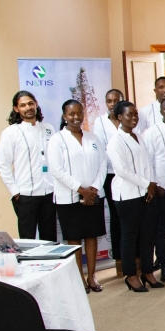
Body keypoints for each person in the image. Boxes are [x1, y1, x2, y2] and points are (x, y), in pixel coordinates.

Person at [48, 100, 106, 293]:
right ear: (64, 116)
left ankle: (92, 276)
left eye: (79, 113)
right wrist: (81, 190)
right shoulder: (57, 140)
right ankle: (79, 278)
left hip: (93, 196)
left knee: (91, 236)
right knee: (74, 239)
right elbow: (56, 170)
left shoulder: (92, 138)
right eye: (71, 114)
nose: (76, 117)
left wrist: (93, 188)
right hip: (69, 198)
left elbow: (102, 164)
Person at [105, 101, 160, 292]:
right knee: (129, 237)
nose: (134, 118)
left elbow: (147, 164)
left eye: (136, 114)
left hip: (146, 194)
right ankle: (131, 276)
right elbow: (122, 170)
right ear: (119, 117)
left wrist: (151, 186)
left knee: (148, 235)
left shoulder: (138, 136)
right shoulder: (115, 141)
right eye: (129, 115)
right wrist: (147, 184)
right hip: (127, 195)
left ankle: (148, 272)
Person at [0, 91, 56, 241]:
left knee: (49, 239)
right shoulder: (10, 133)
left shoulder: (48, 128)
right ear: (16, 109)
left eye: (30, 103)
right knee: (27, 239)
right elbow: (3, 166)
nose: (28, 107)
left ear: (36, 104)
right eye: (23, 105)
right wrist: (15, 192)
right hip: (25, 195)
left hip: (49, 192)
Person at [142, 98, 165, 282]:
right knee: (163, 229)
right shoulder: (152, 132)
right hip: (163, 189)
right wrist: (154, 185)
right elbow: (147, 161)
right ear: (161, 111)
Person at [93, 88, 125, 275]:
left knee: (131, 217)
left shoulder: (128, 117)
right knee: (116, 217)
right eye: (109, 101)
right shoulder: (99, 122)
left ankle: (135, 259)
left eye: (116, 100)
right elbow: (101, 150)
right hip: (111, 175)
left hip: (129, 175)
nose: (113, 104)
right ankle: (119, 260)